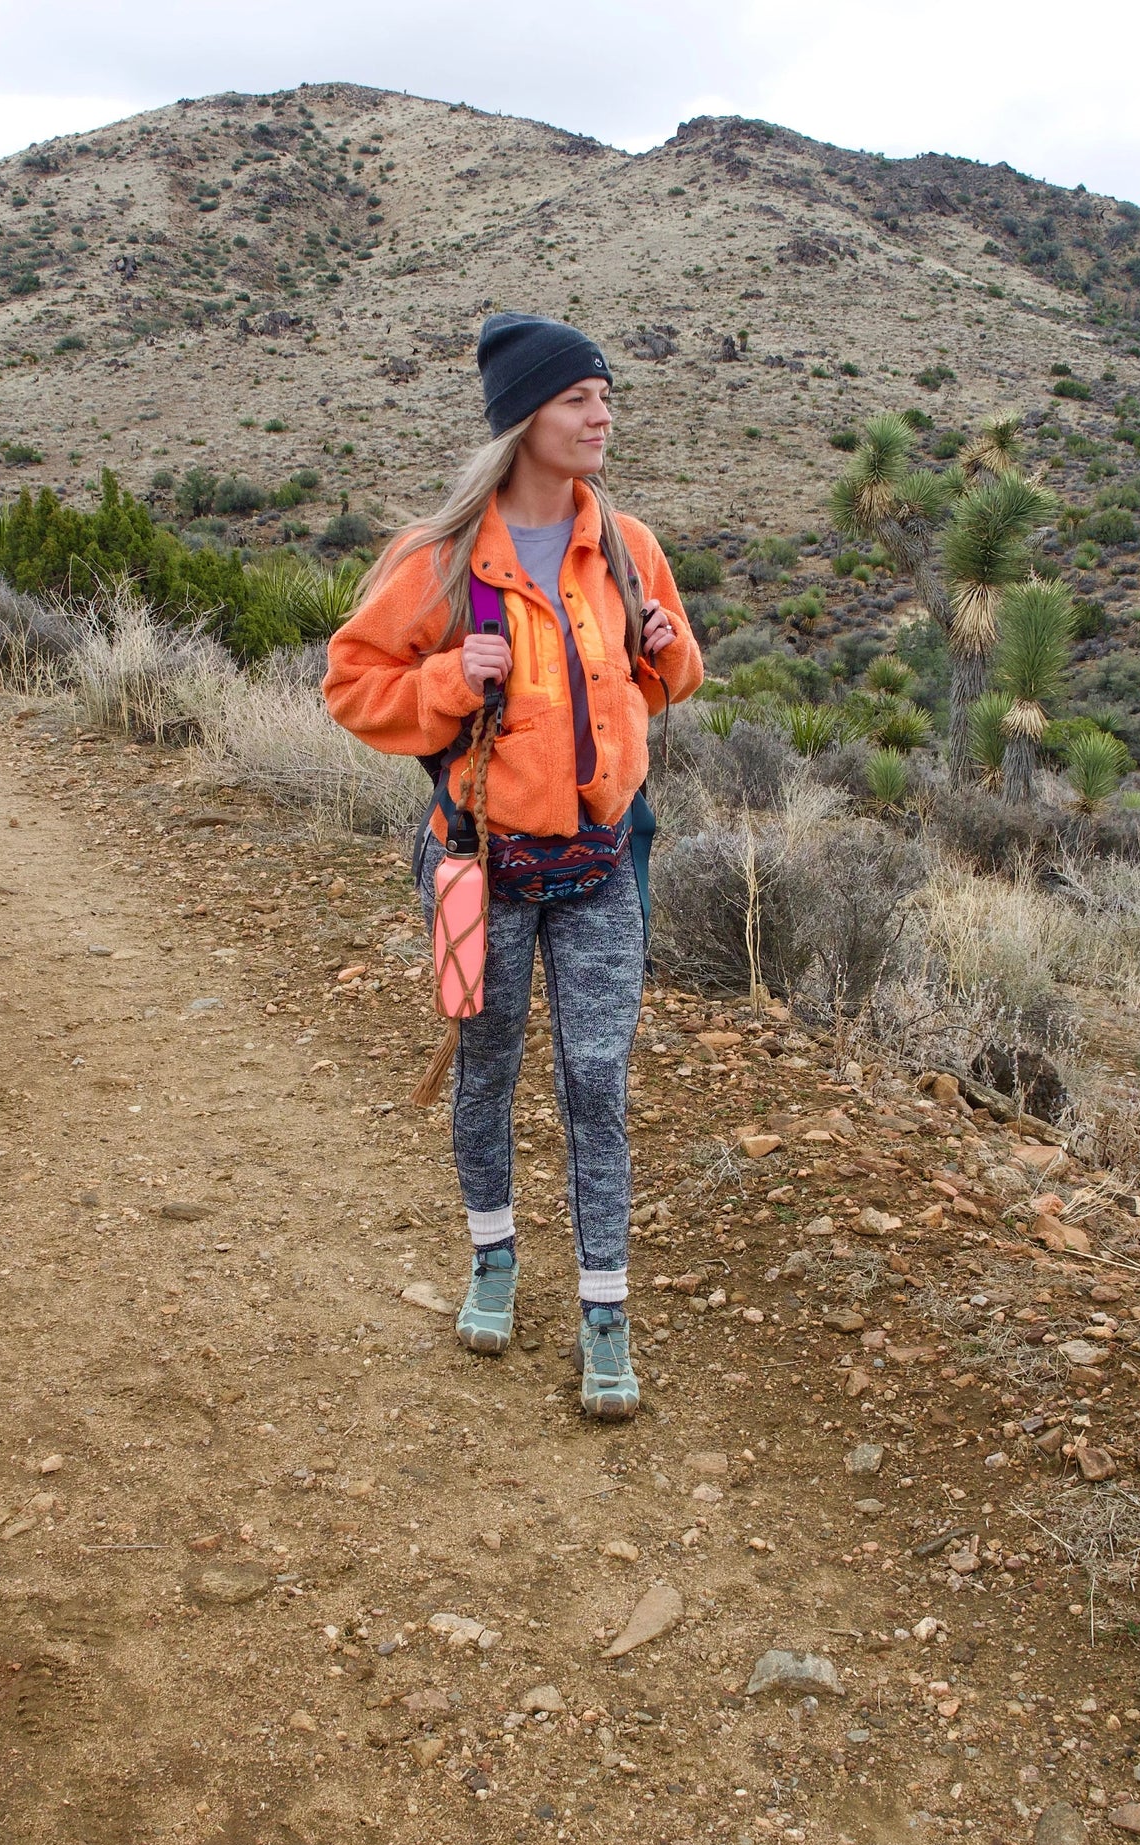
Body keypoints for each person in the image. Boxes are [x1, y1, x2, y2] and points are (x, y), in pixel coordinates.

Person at [324, 311, 702, 1419]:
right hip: (473, 868)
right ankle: (492, 1256)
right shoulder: (437, 558)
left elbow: (670, 679)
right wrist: (446, 678)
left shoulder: (624, 548)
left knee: (596, 1079)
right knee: (484, 1068)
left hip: (599, 867)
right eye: (578, 398)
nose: (600, 415)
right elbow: (350, 685)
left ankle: (603, 1312)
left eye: (602, 397)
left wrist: (670, 659)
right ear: (522, 420)